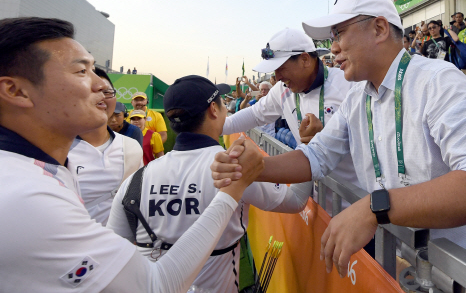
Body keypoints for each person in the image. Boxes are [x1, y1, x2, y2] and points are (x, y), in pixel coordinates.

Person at [212, 0, 466, 285]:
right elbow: (316, 156)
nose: (333, 49)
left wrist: (376, 207)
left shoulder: (439, 81)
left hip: (465, 271)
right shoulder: (358, 95)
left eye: (339, 34)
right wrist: (255, 169)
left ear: (379, 28)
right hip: (405, 262)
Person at [0, 16, 264, 293]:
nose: (102, 86)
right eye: (81, 72)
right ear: (15, 91)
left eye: (95, 70)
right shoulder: (26, 196)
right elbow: (155, 285)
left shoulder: (34, 173)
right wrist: (231, 192)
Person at [107, 76, 310, 292]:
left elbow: (112, 256)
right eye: (223, 102)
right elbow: (296, 201)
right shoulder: (235, 168)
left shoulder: (134, 181)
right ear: (214, 109)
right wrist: (307, 145)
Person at [221, 27, 359, 189]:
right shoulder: (282, 89)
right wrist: (216, 127)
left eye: (281, 68)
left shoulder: (348, 85)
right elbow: (255, 114)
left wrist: (326, 138)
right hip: (316, 197)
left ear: (305, 60)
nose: (277, 77)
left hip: (353, 198)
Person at [68, 67, 143, 226]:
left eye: (107, 91)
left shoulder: (131, 147)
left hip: (120, 245)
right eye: (91, 91)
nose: (101, 97)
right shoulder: (57, 148)